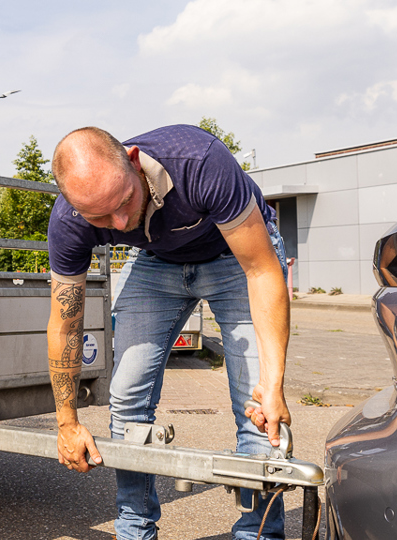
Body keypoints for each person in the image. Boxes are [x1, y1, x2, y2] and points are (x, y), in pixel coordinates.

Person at [44, 124, 293, 540]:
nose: (120, 222)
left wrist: (276, 381)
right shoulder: (69, 221)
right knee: (126, 398)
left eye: (124, 201)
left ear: (134, 160)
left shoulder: (199, 163)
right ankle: (135, 530)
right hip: (159, 263)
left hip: (236, 256)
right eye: (101, 217)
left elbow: (261, 270)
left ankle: (258, 534)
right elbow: (65, 324)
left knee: (258, 405)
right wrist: (66, 422)